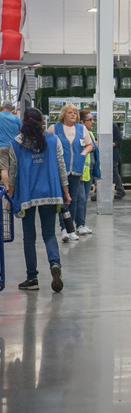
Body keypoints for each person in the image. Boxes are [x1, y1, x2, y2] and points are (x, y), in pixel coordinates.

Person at [8, 107, 70, 292]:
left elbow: (13, 173)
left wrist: (10, 196)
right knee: (49, 234)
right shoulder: (53, 140)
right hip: (51, 193)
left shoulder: (16, 144)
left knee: (29, 238)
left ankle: (32, 278)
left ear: (23, 122)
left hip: (27, 195)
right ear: (42, 122)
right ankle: (54, 264)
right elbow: (61, 167)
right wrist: (66, 192)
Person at [47, 104, 93, 243]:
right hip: (60, 170)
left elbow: (89, 144)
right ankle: (63, 229)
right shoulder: (54, 128)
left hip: (76, 170)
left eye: (75, 113)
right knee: (62, 199)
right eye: (70, 112)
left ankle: (70, 228)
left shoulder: (81, 128)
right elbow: (46, 144)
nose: (73, 115)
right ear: (63, 114)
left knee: (72, 200)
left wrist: (82, 154)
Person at [75, 110, 100, 235]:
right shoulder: (78, 134)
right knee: (80, 199)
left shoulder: (90, 133)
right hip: (80, 171)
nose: (93, 122)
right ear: (82, 122)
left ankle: (82, 223)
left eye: (93, 119)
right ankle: (79, 224)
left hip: (88, 171)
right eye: (90, 120)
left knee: (84, 200)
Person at [0, 100, 22, 188]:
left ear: (3, 107)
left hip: (2, 146)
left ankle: (7, 189)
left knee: (4, 169)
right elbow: (22, 130)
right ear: (11, 108)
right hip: (14, 146)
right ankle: (14, 187)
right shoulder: (16, 118)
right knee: (14, 168)